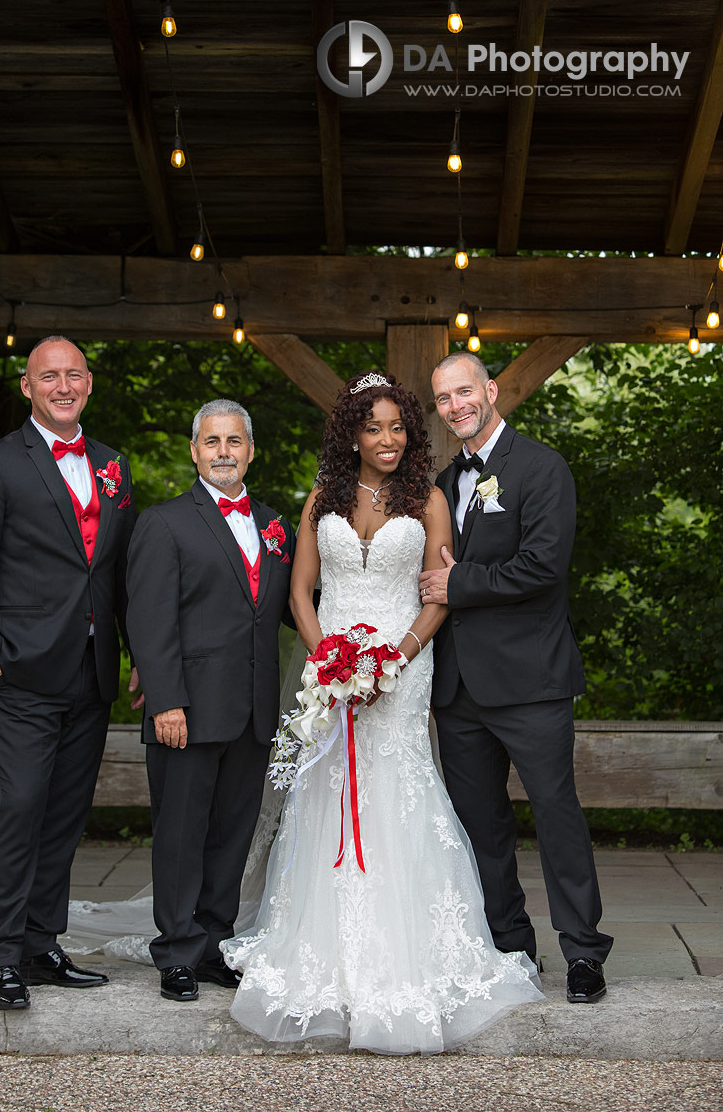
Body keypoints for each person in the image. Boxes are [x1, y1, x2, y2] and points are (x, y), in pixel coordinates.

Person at [220, 373, 544, 1055]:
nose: (388, 439)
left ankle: (414, 955)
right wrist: (331, 661)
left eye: (398, 426)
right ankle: (323, 951)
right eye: (374, 428)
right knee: (329, 789)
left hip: (405, 664)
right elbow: (302, 594)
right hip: (332, 667)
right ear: (351, 435)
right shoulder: (320, 500)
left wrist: (393, 656)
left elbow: (439, 590)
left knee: (400, 787)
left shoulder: (427, 500)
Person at [0, 335, 137, 1011]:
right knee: (21, 810)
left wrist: (135, 656)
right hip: (22, 673)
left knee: (63, 815)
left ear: (88, 382)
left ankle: (40, 942)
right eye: (47, 376)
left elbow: (113, 575)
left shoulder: (113, 465)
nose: (62, 385)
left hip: (89, 673)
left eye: (73, 374)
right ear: (27, 387)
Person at [419, 351, 613, 1004]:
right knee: (481, 827)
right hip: (458, 692)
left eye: (463, 392)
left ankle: (583, 952)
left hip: (531, 683)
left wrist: (459, 581)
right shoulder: (442, 482)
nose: (455, 406)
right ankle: (510, 946)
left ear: (490, 390)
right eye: (444, 398)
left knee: (556, 816)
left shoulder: (540, 467)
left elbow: (541, 568)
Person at [124, 398, 295, 1004]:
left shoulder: (277, 526)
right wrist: (165, 701)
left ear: (251, 450)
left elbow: (297, 603)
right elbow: (148, 619)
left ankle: (214, 945)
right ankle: (175, 950)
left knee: (232, 833)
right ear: (195, 450)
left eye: (235, 441)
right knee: (180, 833)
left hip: (252, 709)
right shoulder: (164, 523)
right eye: (212, 442)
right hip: (186, 711)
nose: (224, 452)